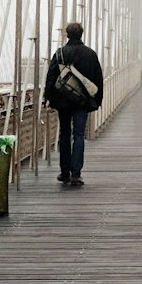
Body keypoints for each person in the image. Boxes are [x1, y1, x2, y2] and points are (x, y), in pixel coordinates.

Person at [43, 20, 104, 188]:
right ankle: (76, 173)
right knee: (78, 135)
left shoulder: (61, 53)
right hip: (82, 102)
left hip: (63, 101)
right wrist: (96, 101)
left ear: (67, 34)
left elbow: (51, 77)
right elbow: (98, 78)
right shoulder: (90, 54)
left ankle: (64, 172)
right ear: (81, 34)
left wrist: (48, 99)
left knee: (64, 133)